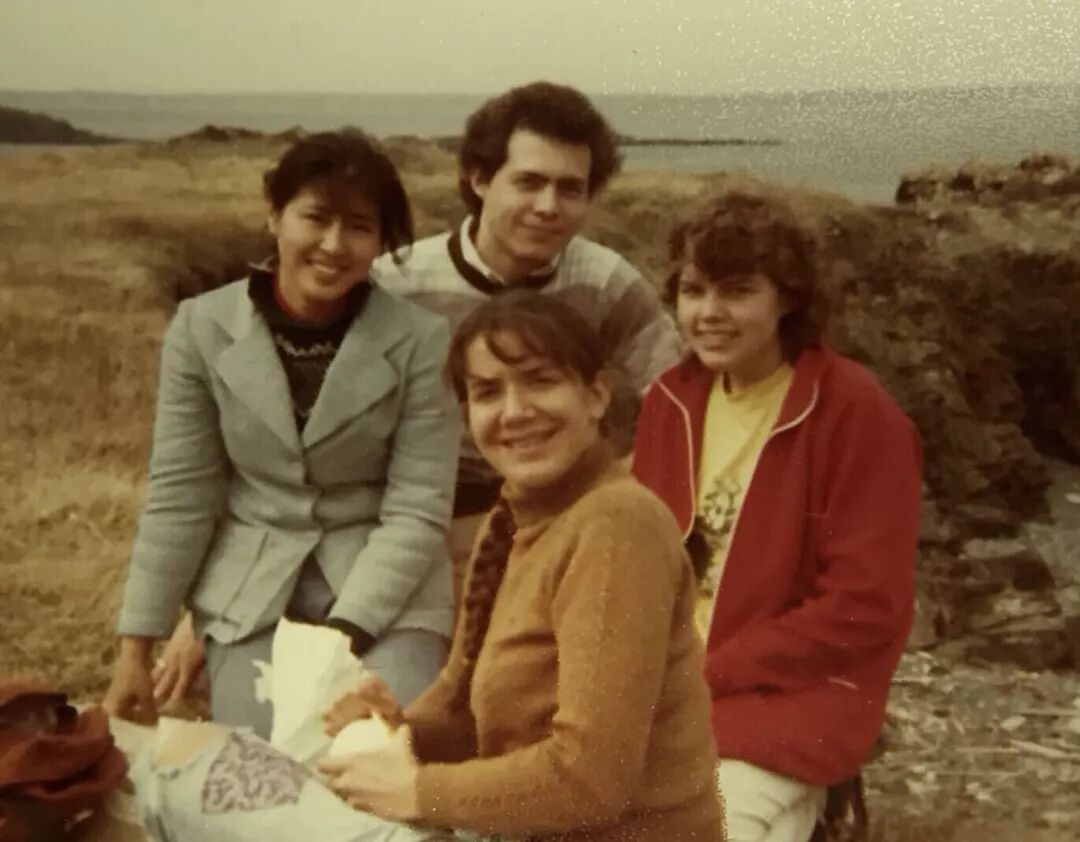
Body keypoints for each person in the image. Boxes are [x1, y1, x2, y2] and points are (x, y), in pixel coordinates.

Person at [130, 292, 725, 842]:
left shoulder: (616, 526)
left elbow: (591, 778)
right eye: (488, 392)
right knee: (197, 764)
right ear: (467, 414)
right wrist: (399, 729)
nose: (515, 411)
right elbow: (463, 711)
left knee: (184, 773)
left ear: (596, 396)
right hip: (512, 829)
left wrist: (416, 791)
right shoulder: (516, 518)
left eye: (540, 381)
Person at [102, 131, 460, 738]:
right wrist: (136, 650)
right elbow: (181, 494)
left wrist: (337, 644)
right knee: (261, 759)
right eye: (315, 218)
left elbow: (418, 509)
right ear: (275, 214)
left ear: (380, 241)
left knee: (373, 746)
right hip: (251, 589)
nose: (334, 245)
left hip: (388, 594)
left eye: (359, 227)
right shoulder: (201, 327)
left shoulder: (422, 340)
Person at [632, 193, 923, 842]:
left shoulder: (856, 412)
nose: (709, 313)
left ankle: (820, 802)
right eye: (693, 290)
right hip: (664, 682)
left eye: (737, 291)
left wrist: (707, 673)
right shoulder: (668, 402)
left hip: (788, 697)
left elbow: (864, 605)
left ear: (788, 297)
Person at [371, 81, 684, 611]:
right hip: (438, 515)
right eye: (530, 182)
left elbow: (677, 402)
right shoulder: (397, 283)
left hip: (571, 510)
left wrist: (620, 489)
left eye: (570, 189)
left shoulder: (605, 282)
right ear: (479, 179)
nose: (548, 207)